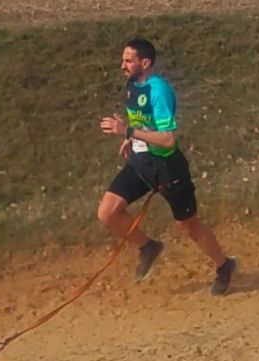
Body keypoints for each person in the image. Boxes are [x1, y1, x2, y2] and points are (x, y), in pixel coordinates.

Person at [98, 38, 238, 295]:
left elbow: (168, 139)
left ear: (145, 63)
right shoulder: (133, 85)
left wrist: (128, 131)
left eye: (128, 60)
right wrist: (130, 138)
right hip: (141, 164)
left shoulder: (159, 91)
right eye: (123, 60)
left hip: (167, 168)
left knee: (189, 226)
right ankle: (148, 247)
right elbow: (141, 119)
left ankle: (224, 265)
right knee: (107, 213)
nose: (122, 65)